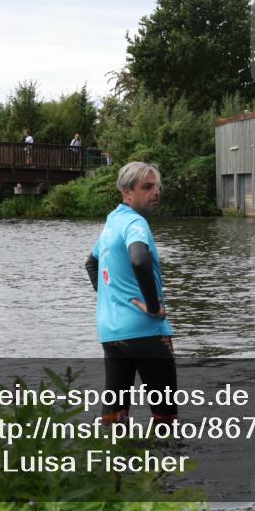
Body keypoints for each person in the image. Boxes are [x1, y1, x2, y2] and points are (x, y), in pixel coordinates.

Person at [84, 161, 175, 425]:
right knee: (165, 419)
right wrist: (153, 306)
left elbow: (91, 262)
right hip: (145, 331)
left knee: (114, 417)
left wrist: (110, 299)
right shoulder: (136, 223)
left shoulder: (113, 221)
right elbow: (139, 259)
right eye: (147, 187)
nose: (156, 192)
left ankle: (113, 464)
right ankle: (164, 465)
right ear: (127, 192)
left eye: (157, 186)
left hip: (112, 333)